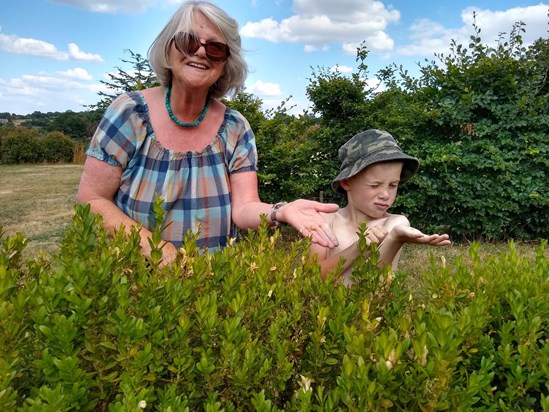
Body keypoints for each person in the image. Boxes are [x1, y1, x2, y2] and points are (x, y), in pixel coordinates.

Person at [77, 0, 339, 264]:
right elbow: (91, 199)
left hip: (212, 289)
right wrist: (159, 251)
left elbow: (245, 208)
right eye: (188, 41)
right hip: (135, 286)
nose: (200, 52)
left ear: (225, 63)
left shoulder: (235, 127)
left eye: (215, 48)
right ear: (169, 50)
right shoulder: (129, 113)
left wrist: (280, 212)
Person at [309, 129, 451, 286]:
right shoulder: (325, 220)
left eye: (393, 185)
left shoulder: (394, 224)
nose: (385, 194)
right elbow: (311, 278)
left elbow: (372, 289)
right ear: (347, 182)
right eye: (375, 185)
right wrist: (359, 248)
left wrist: (394, 239)